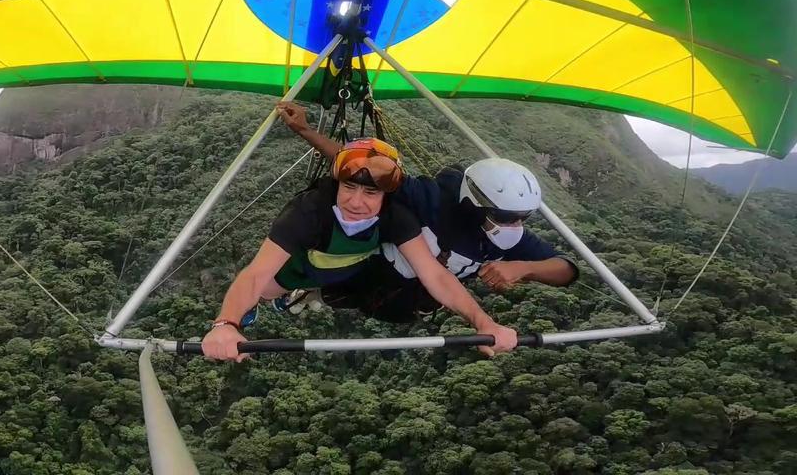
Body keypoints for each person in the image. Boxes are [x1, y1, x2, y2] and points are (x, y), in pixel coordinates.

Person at [201, 138, 518, 361]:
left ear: (386, 196)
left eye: (370, 193)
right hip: (301, 269)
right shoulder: (309, 211)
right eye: (349, 187)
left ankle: (307, 294)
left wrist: (483, 322)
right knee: (265, 290)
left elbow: (435, 275)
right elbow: (256, 273)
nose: (356, 202)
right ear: (337, 183)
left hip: (348, 270)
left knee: (361, 286)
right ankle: (261, 304)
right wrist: (226, 323)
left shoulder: (396, 217)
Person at [276, 101, 578, 322]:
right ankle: (305, 289)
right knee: (340, 277)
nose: (514, 225)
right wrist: (304, 130)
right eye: (505, 217)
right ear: (474, 204)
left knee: (373, 302)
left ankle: (315, 294)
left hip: (409, 303)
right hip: (369, 277)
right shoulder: (433, 198)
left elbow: (565, 269)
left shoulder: (513, 237)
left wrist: (524, 267)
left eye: (522, 218)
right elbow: (364, 168)